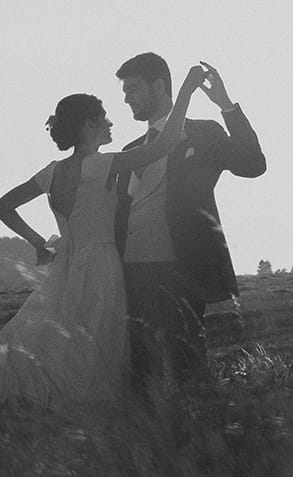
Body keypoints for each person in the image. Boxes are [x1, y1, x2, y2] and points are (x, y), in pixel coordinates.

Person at [0, 65, 207, 408]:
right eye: (105, 118)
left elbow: (2, 207)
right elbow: (166, 144)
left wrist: (38, 242)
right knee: (96, 342)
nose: (111, 123)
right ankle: (86, 409)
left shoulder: (51, 172)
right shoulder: (101, 164)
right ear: (88, 125)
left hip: (65, 266)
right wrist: (186, 91)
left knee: (58, 337)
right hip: (102, 265)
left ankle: (47, 401)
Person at [114, 53, 267, 389]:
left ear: (159, 86)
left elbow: (253, 164)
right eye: (124, 91)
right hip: (132, 271)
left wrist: (226, 105)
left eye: (134, 88)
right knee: (140, 368)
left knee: (188, 363)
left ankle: (199, 428)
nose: (126, 97)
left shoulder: (204, 134)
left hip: (183, 267)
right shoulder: (130, 149)